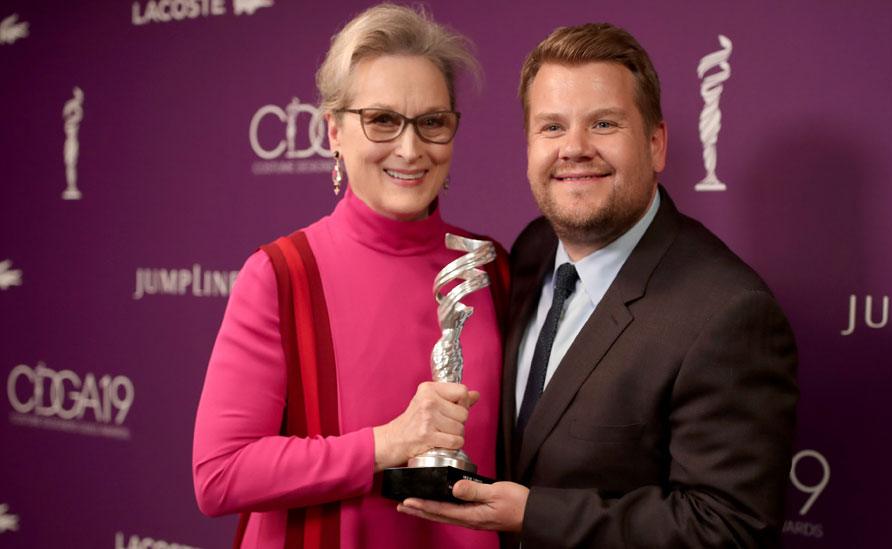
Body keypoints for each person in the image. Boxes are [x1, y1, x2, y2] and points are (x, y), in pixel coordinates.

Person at [397, 23, 799, 548]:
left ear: (656, 144)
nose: (574, 149)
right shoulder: (533, 248)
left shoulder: (728, 312)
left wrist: (535, 514)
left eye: (604, 123)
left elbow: (729, 527)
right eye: (552, 127)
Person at [192, 5, 505, 548]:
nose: (410, 149)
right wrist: (386, 443)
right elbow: (219, 475)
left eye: (432, 121)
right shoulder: (283, 274)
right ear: (333, 130)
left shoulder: (491, 268)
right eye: (381, 120)